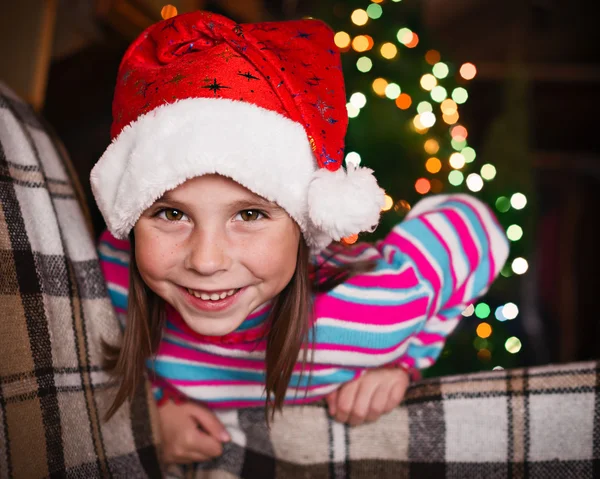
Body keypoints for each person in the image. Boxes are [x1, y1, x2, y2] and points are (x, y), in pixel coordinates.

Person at [91, 10, 509, 465]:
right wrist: (154, 412)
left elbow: (474, 227)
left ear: (305, 221)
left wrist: (406, 361)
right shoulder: (113, 270)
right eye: (171, 213)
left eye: (249, 213)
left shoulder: (373, 307)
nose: (206, 261)